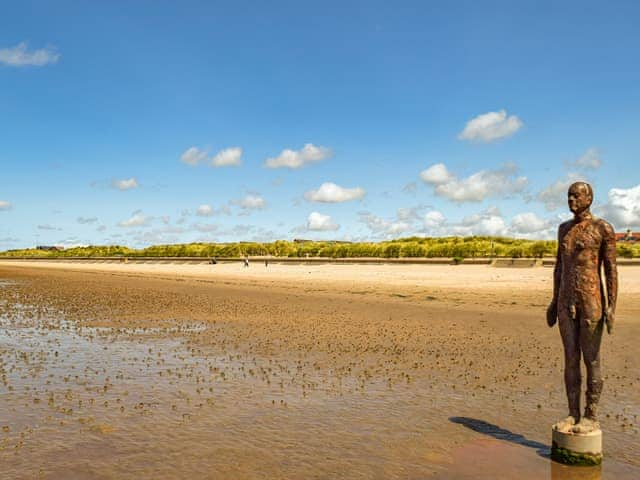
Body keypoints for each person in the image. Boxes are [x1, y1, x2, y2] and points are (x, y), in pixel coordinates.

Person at [547, 182, 618, 433]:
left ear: (589, 197)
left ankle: (590, 415)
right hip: (567, 302)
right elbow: (559, 267)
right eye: (568, 195)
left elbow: (610, 269)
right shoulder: (563, 229)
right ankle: (572, 413)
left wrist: (611, 306)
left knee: (592, 360)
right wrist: (555, 301)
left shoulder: (602, 228)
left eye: (576, 195)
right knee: (570, 359)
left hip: (591, 301)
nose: (571, 199)